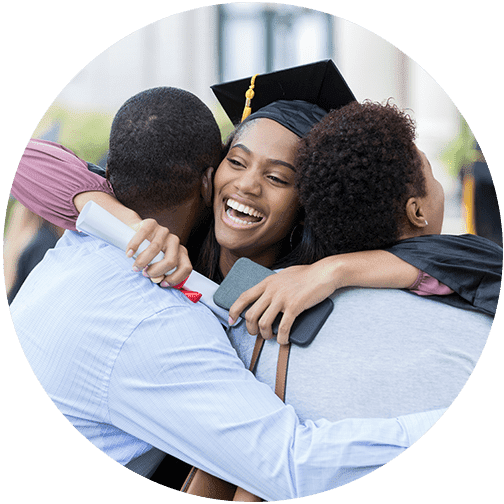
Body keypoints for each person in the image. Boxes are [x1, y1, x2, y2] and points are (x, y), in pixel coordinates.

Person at [8, 85, 445, 501]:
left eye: (277, 176)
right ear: (208, 177)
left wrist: (336, 269)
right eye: (236, 162)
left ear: (304, 205)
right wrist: (115, 217)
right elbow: (28, 159)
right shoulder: (152, 268)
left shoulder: (304, 301)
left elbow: (462, 263)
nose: (248, 185)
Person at [225, 100, 498, 425]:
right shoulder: (475, 317)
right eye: (432, 175)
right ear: (417, 212)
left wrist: (337, 269)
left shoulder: (251, 312)